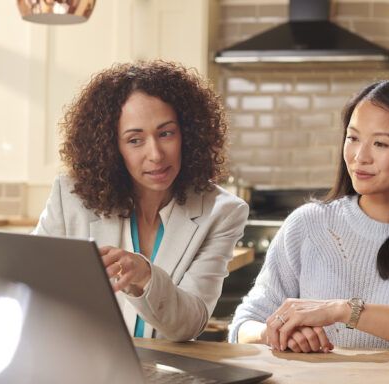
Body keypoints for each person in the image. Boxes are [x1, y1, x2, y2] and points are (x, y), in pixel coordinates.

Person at [229, 80, 389, 352]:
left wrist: (343, 310)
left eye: (381, 144)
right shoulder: (307, 225)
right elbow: (244, 325)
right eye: (353, 138)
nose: (360, 157)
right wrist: (274, 334)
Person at [33, 60, 248, 341]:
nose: (156, 154)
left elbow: (189, 324)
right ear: (112, 147)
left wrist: (145, 276)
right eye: (135, 140)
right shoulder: (70, 196)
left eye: (166, 133)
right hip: (80, 368)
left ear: (189, 134)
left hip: (166, 375)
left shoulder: (222, 212)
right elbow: (33, 284)